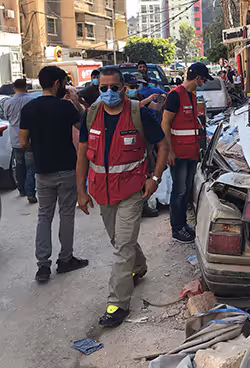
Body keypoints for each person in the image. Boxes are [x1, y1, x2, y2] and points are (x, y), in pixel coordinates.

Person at [76, 68, 169, 327]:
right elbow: (83, 154)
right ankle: (139, 268)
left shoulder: (141, 114)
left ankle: (117, 303)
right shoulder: (91, 116)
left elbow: (163, 146)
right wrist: (81, 191)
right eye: (103, 88)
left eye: (113, 88)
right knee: (119, 239)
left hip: (132, 191)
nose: (108, 93)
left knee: (123, 246)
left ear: (124, 89)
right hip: (101, 192)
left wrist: (155, 178)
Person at [19, 66, 87, 283]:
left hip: (42, 170)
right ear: (58, 84)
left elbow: (22, 143)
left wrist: (37, 149)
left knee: (44, 216)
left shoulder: (29, 108)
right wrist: (76, 103)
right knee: (67, 214)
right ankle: (65, 259)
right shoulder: (65, 108)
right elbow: (83, 127)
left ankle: (43, 266)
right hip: (67, 168)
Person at [162, 63, 212, 243]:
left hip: (191, 153)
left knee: (186, 191)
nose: (204, 83)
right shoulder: (176, 96)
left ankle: (183, 225)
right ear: (198, 78)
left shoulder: (192, 96)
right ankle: (177, 228)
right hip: (179, 154)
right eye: (204, 79)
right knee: (179, 191)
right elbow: (165, 124)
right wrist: (169, 151)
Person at [124, 73, 162, 219]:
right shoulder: (121, 102)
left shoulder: (138, 97)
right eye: (131, 86)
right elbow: (135, 108)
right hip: (130, 142)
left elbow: (155, 108)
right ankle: (133, 208)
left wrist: (161, 101)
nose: (135, 89)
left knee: (146, 171)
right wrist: (149, 99)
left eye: (136, 86)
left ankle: (143, 205)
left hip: (146, 140)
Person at [4, 78, 36, 202]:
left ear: (13, 88)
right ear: (26, 87)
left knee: (19, 164)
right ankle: (30, 191)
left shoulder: (8, 102)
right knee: (30, 166)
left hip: (15, 138)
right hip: (29, 137)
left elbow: (6, 116)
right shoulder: (32, 100)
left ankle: (21, 189)